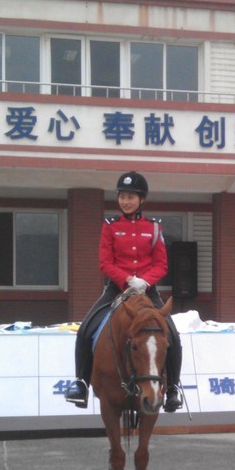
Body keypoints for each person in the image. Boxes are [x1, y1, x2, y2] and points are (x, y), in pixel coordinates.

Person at [65, 171, 183, 411]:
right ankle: (80, 383)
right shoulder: (110, 226)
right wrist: (128, 280)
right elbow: (105, 263)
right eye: (122, 196)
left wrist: (145, 282)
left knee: (172, 335)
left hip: (147, 292)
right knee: (86, 330)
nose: (126, 201)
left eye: (131, 197)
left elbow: (161, 264)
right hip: (116, 289)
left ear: (142, 200)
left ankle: (172, 388)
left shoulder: (154, 227)